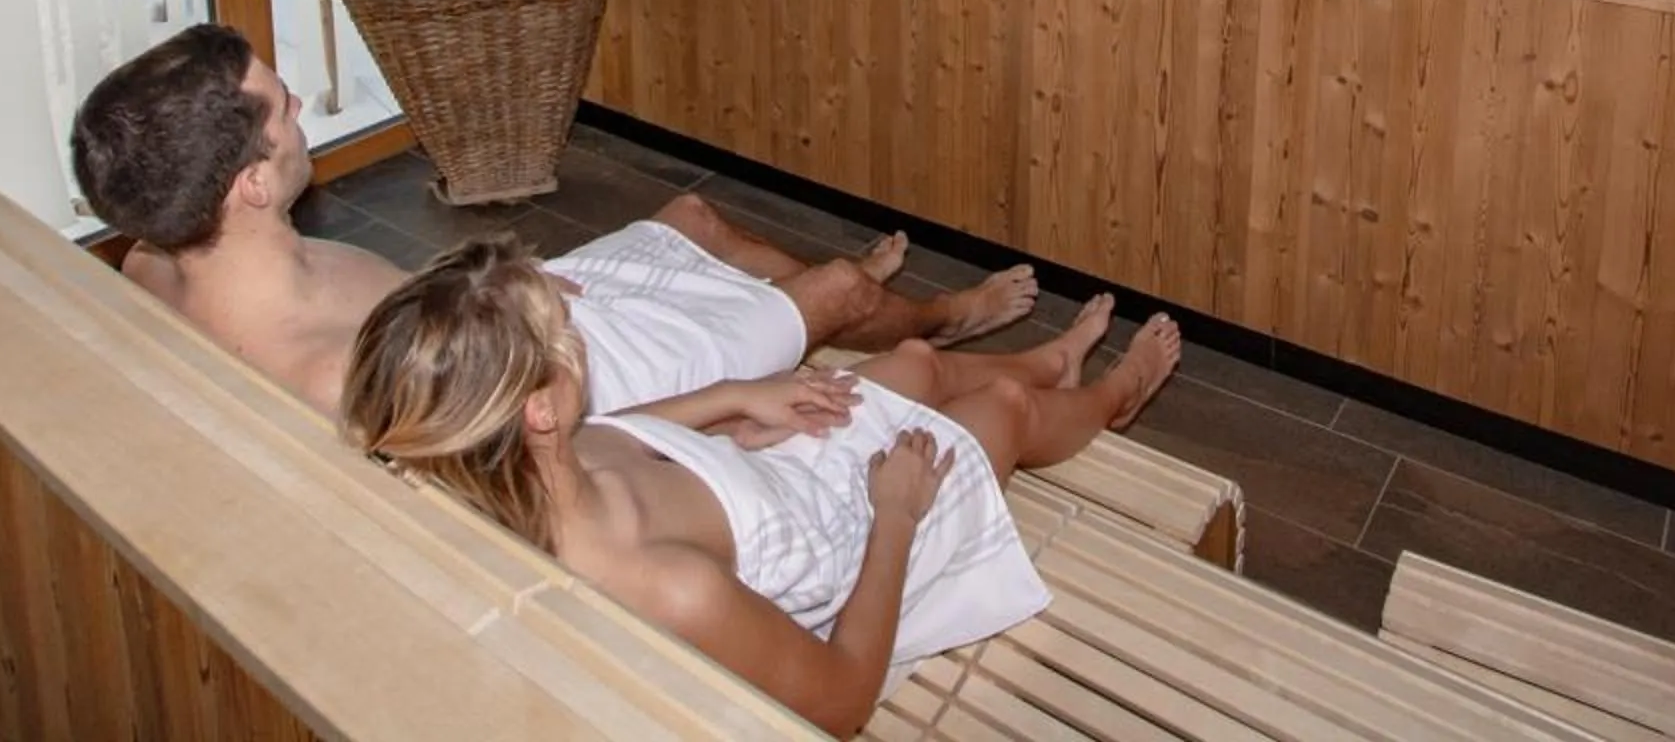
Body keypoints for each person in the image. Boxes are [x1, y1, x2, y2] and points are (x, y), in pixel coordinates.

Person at [344, 236, 1181, 736]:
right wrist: (896, 512)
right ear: (537, 410)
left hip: (758, 483)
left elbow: (620, 435)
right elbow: (840, 699)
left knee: (916, 364)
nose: (579, 336)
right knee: (997, 411)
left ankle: (1051, 360)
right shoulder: (668, 586)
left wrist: (735, 404)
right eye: (566, 334)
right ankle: (1111, 397)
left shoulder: (514, 475)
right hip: (847, 545)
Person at [69, 23, 1039, 419]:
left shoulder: (157, 260)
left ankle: (833, 302)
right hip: (576, 369)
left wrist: (496, 289)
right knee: (834, 291)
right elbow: (546, 453)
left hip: (497, 314)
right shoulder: (340, 372)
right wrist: (726, 407)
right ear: (245, 182)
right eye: (282, 108)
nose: (302, 112)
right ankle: (930, 316)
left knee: (694, 212)